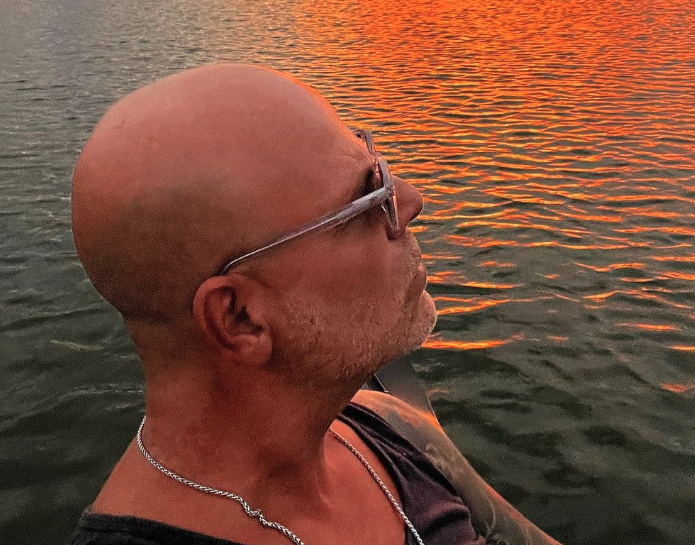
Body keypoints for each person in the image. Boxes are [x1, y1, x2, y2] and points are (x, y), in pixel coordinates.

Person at [69, 64, 561, 545]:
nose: (411, 202)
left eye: (380, 169)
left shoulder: (387, 426)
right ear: (240, 318)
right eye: (367, 198)